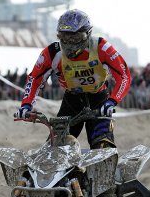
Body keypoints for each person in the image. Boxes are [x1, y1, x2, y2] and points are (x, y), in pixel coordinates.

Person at [15, 9, 131, 150]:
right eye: (64, 37)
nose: (69, 43)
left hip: (99, 100)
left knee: (103, 145)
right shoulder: (52, 52)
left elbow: (124, 75)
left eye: (75, 38)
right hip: (72, 101)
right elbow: (34, 78)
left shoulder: (101, 47)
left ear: (87, 34)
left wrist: (112, 101)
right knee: (56, 147)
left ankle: (104, 167)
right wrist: (26, 105)